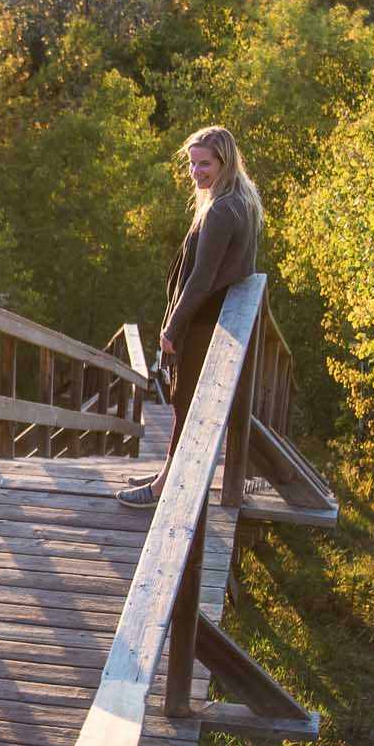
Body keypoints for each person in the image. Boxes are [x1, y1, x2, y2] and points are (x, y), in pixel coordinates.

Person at [117, 125, 264, 507]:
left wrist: (172, 327)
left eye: (205, 164)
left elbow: (200, 280)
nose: (196, 172)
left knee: (185, 405)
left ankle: (163, 487)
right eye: (192, 163)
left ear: (225, 162)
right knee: (186, 404)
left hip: (204, 323)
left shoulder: (219, 210)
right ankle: (168, 473)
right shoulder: (241, 201)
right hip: (218, 320)